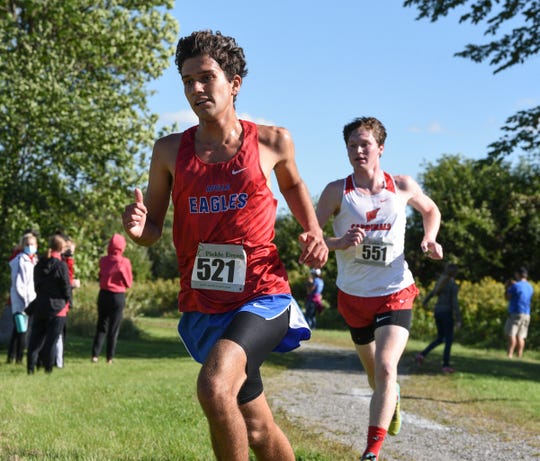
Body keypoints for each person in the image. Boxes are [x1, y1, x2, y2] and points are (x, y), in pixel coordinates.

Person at [122, 30, 327, 461]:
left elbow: (293, 184)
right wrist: (138, 229)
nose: (196, 89)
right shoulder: (168, 152)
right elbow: (153, 228)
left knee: (215, 387)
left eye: (206, 77)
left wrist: (314, 231)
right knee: (254, 426)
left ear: (234, 83)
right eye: (187, 80)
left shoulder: (272, 141)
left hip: (262, 295)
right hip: (203, 302)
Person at [315, 116, 443, 461]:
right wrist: (339, 241)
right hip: (353, 296)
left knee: (387, 367)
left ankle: (371, 451)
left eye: (365, 144)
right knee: (376, 376)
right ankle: (392, 398)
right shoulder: (335, 191)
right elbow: (311, 241)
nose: (358, 150)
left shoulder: (401, 185)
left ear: (380, 148)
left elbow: (430, 210)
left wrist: (429, 238)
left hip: (395, 289)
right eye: (352, 145)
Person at [26, 234, 72, 374]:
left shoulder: (39, 264)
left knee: (35, 339)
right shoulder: (61, 266)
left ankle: (31, 367)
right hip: (57, 308)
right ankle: (48, 368)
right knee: (51, 340)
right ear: (61, 248)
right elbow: (66, 287)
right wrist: (68, 300)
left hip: (41, 305)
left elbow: (36, 286)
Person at [91, 233, 133, 364]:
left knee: (101, 325)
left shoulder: (103, 260)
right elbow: (128, 282)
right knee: (113, 328)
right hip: (117, 296)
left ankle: (95, 355)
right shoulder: (124, 262)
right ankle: (109, 358)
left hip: (103, 294)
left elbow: (100, 275)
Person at [416, 263, 461, 373]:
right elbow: (454, 303)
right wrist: (458, 319)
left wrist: (425, 302)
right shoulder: (453, 285)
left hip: (438, 312)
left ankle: (422, 355)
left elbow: (432, 293)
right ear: (455, 273)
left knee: (441, 338)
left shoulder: (441, 282)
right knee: (448, 340)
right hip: (446, 313)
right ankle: (445, 365)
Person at [6, 232, 38, 364]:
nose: (30, 247)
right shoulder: (20, 260)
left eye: (32, 244)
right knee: (22, 331)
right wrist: (25, 299)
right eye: (27, 244)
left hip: (31, 299)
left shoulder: (34, 260)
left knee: (18, 330)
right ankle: (19, 358)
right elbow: (18, 283)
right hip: (21, 300)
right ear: (22, 246)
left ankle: (10, 357)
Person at [504, 266, 533, 358]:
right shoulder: (530, 286)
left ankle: (510, 354)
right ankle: (519, 355)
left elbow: (507, 297)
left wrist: (507, 287)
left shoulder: (515, 286)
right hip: (526, 313)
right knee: (521, 336)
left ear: (518, 274)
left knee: (511, 334)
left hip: (516, 312)